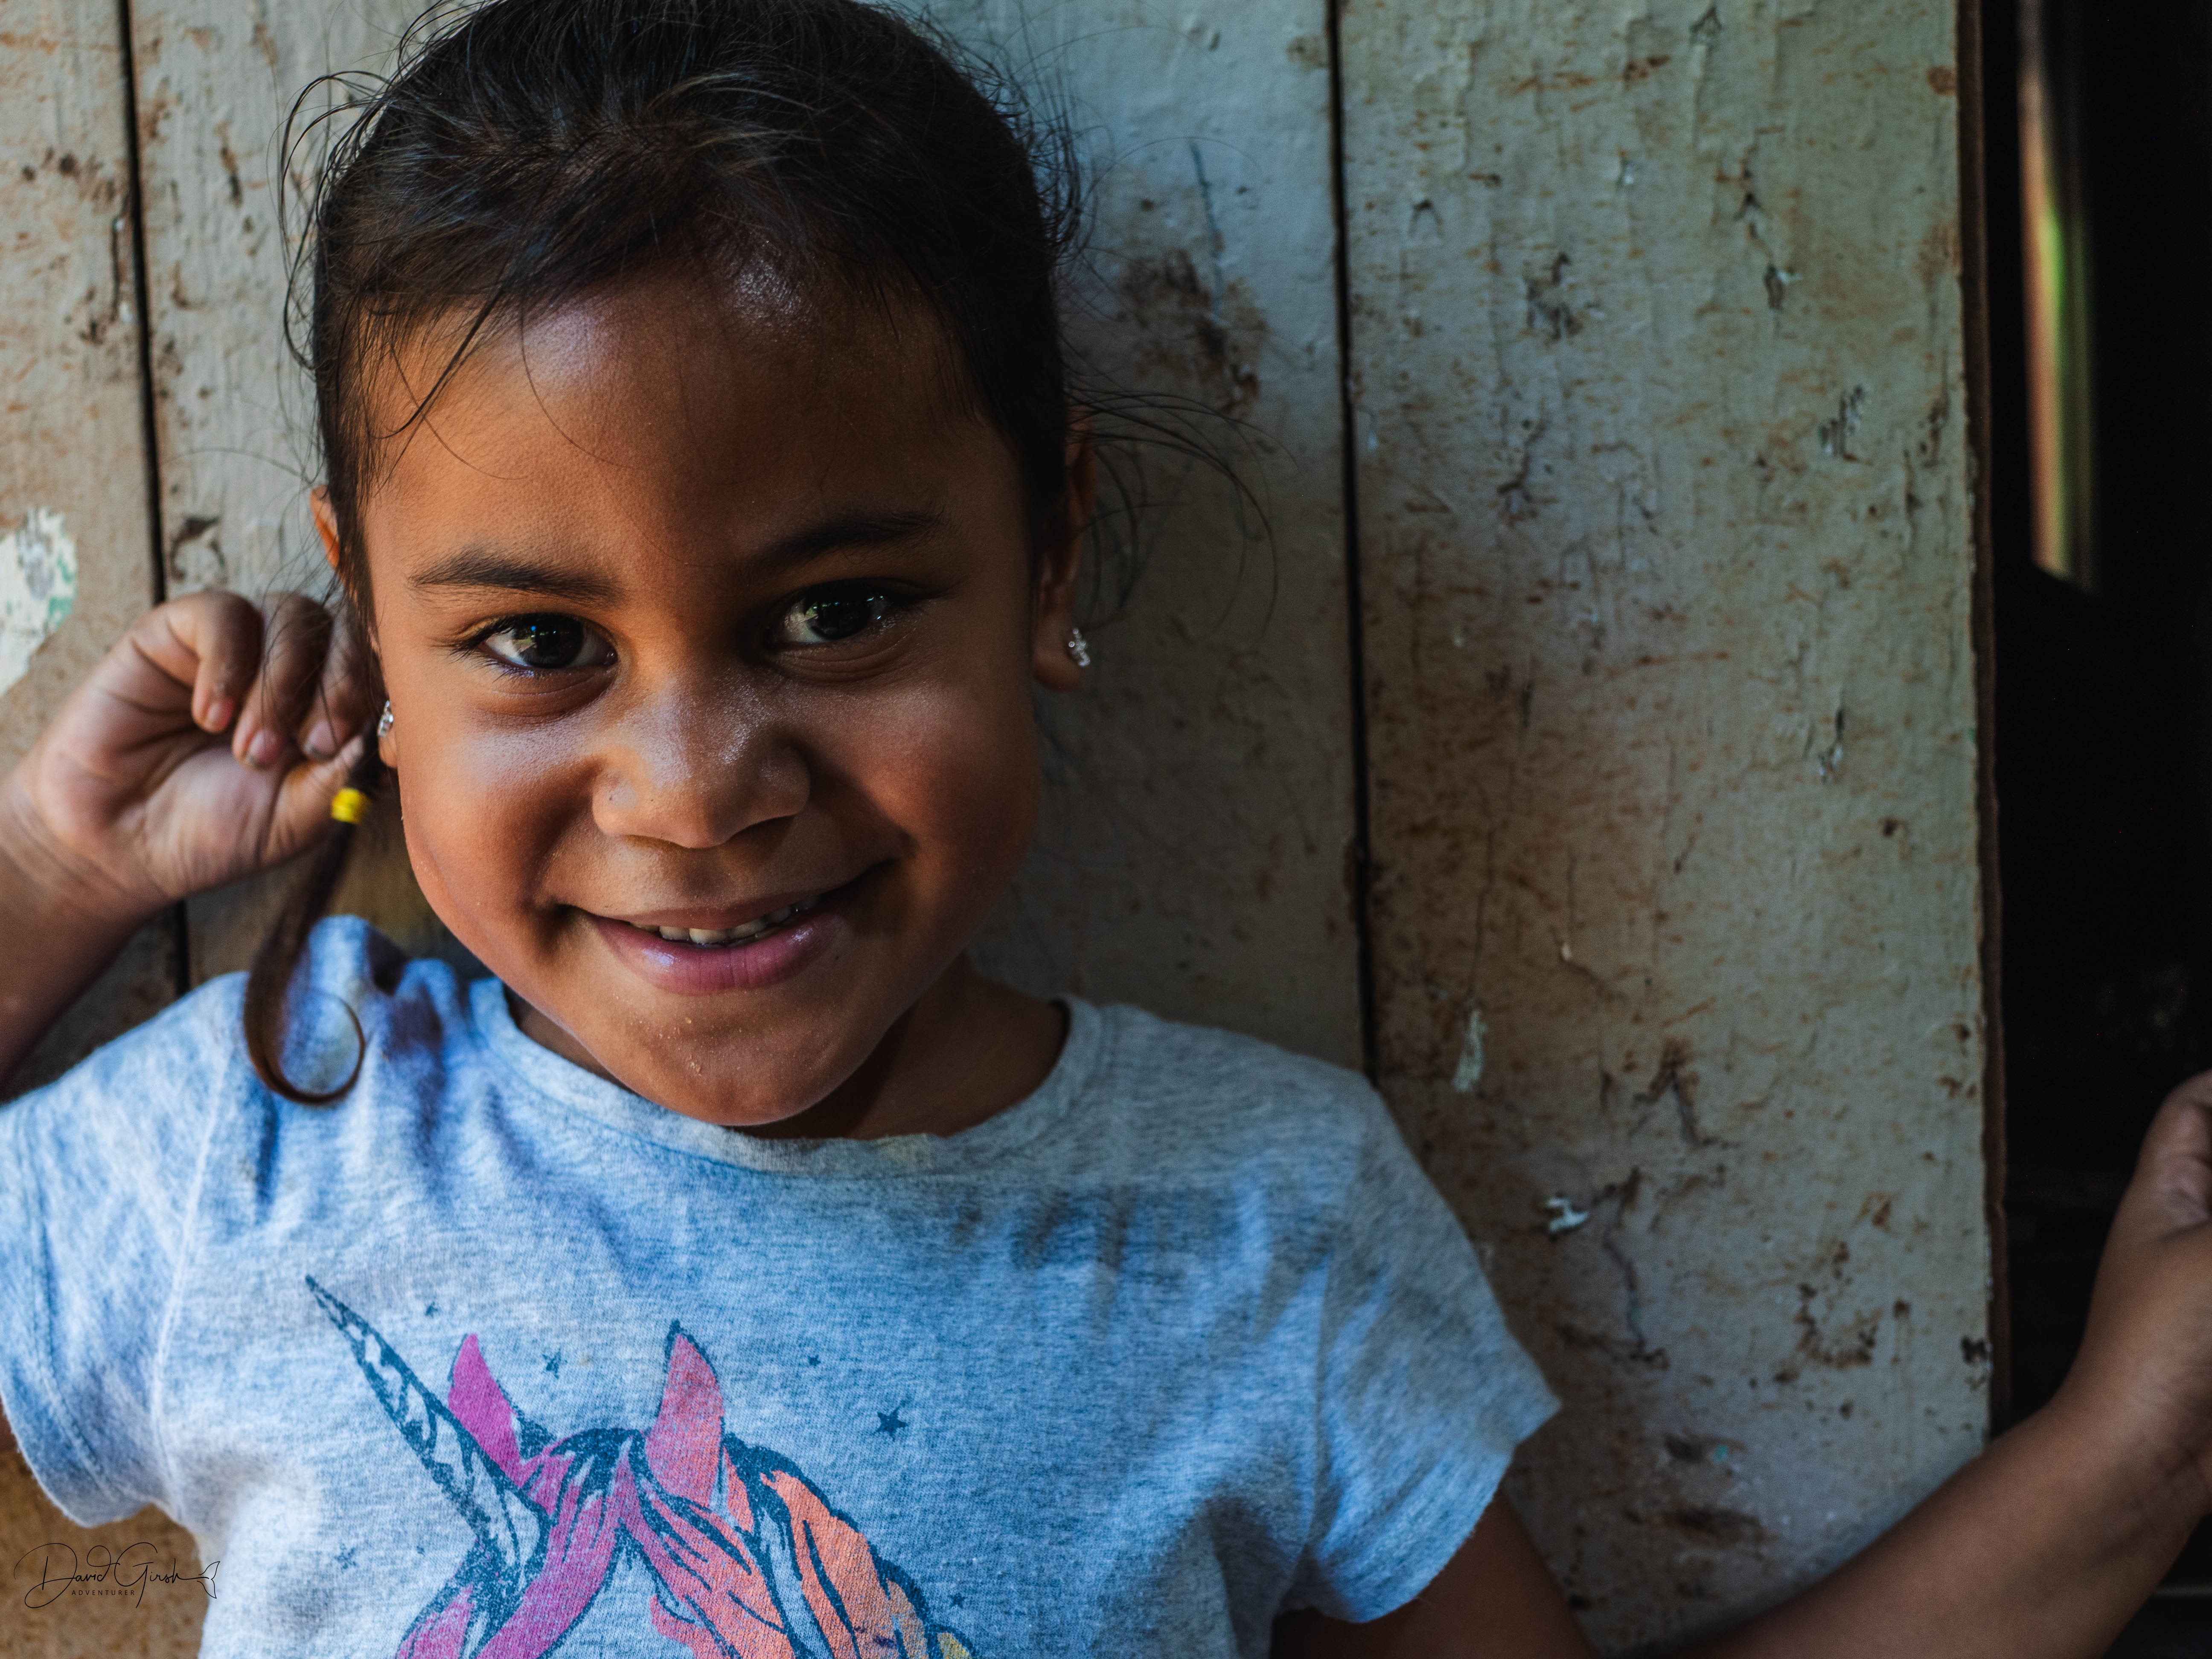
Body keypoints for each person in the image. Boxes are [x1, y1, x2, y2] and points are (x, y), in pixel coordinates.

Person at [2, 0, 2211, 1653]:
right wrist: (53, 879)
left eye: (838, 613)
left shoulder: (1257, 1224)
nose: (697, 788)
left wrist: (2129, 1466)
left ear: (1051, 556)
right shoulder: (260, 1145)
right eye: (532, 645)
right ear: (371, 612)